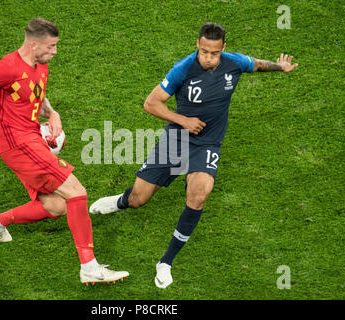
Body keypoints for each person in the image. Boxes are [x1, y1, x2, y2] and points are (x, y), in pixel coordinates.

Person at [89, 22, 298, 288]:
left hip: (208, 143)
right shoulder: (183, 68)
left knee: (199, 193)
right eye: (203, 52)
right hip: (177, 138)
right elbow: (151, 103)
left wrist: (281, 66)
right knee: (138, 199)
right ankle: (120, 201)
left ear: (223, 48)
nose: (208, 58)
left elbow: (256, 64)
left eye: (213, 53)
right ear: (197, 46)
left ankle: (165, 262)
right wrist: (184, 120)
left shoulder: (234, 63)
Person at [0, 18, 129, 285]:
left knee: (56, 206)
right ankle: (89, 267)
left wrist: (53, 114)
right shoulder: (6, 68)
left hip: (32, 140)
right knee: (77, 192)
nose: (55, 51)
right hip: (18, 145)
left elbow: (37, 97)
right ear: (34, 44)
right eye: (51, 46)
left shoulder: (40, 66)